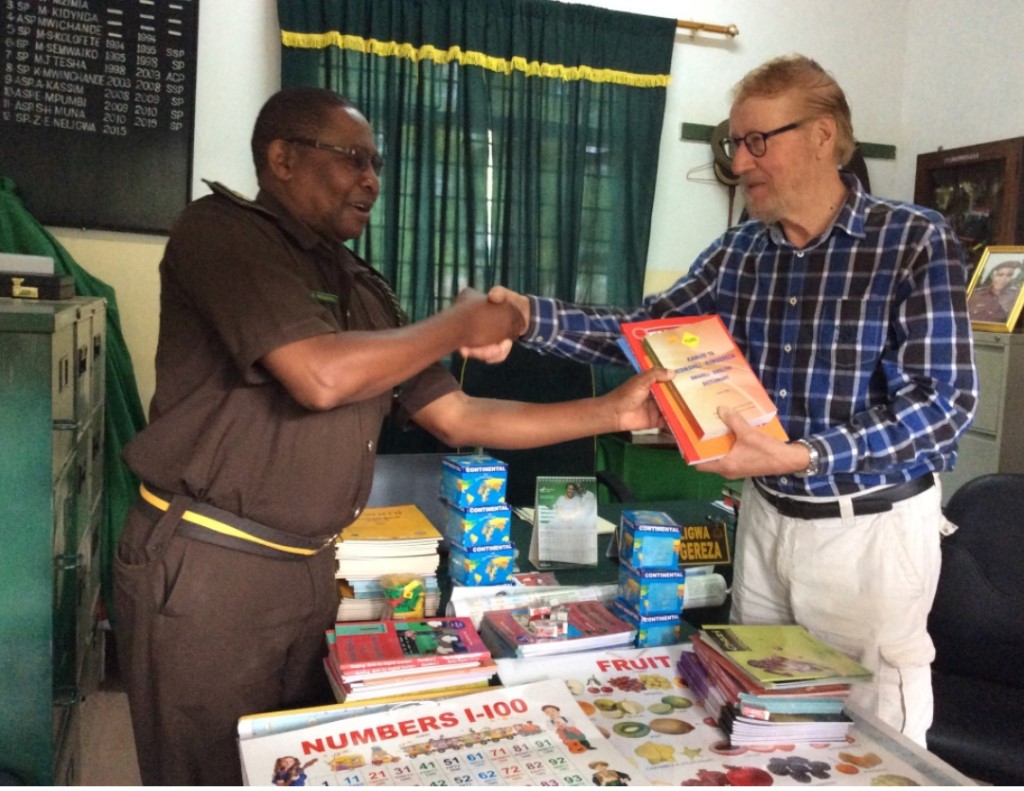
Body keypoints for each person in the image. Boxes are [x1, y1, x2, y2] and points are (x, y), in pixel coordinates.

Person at [113, 86, 670, 786]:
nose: (372, 180)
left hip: (310, 568)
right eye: (352, 158)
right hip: (209, 566)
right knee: (210, 768)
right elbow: (317, 375)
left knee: (295, 764)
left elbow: (459, 416)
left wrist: (613, 412)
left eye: (376, 163)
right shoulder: (223, 233)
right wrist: (456, 325)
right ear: (282, 157)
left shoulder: (364, 287)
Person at [466, 54, 978, 746]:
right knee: (762, 713)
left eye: (757, 141)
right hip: (767, 518)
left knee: (869, 731)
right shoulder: (741, 252)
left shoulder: (913, 240)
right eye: (734, 144)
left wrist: (802, 454)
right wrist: (527, 318)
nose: (739, 162)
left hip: (871, 534)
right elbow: (642, 333)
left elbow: (942, 404)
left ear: (825, 135)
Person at [968, 259, 1022, 323]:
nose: (1003, 279)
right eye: (1000, 275)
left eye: (1009, 275)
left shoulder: (1017, 297)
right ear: (992, 275)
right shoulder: (975, 295)